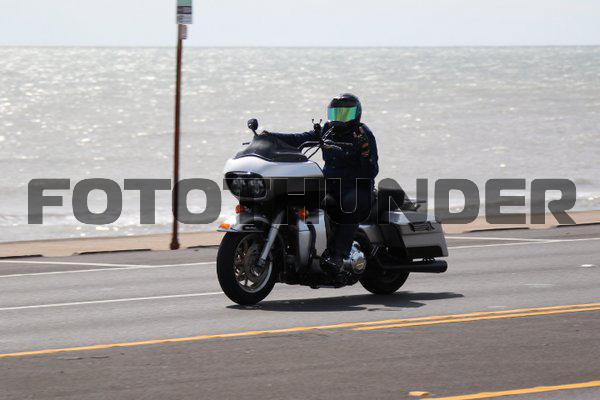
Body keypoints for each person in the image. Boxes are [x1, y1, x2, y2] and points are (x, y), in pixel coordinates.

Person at [263, 93, 379, 275]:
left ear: (356, 114)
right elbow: (301, 138)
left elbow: (372, 171)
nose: (339, 118)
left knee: (349, 204)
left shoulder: (363, 134)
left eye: (345, 114)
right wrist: (271, 137)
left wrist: (365, 154)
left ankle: (337, 255)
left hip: (357, 187)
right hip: (330, 184)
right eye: (336, 113)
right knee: (296, 198)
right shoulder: (327, 129)